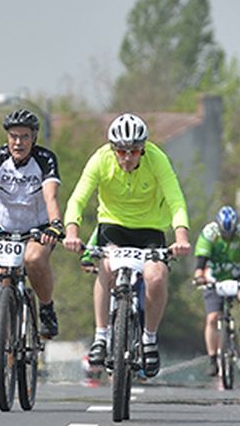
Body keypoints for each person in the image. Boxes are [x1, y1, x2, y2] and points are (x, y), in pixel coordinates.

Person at [62, 113, 191, 377]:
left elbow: (176, 200)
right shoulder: (100, 159)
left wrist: (181, 238)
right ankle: (100, 336)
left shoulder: (157, 159)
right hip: (114, 226)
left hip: (150, 228)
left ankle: (149, 339)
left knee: (157, 277)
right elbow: (77, 199)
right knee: (106, 267)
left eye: (134, 151)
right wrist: (72, 233)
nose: (127, 157)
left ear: (143, 148)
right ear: (113, 149)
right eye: (121, 151)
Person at [0, 109, 63, 392]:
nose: (18, 142)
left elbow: (51, 196)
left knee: (33, 259)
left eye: (25, 137)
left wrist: (55, 224)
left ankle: (46, 308)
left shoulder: (45, 159)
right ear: (7, 137)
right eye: (14, 136)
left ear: (34, 138)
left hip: (37, 228)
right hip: (3, 229)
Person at [193, 205, 240, 377]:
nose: (228, 236)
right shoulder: (209, 233)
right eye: (224, 233)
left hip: (239, 276)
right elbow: (201, 260)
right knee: (212, 318)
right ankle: (212, 359)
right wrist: (199, 275)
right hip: (215, 277)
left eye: (231, 233)